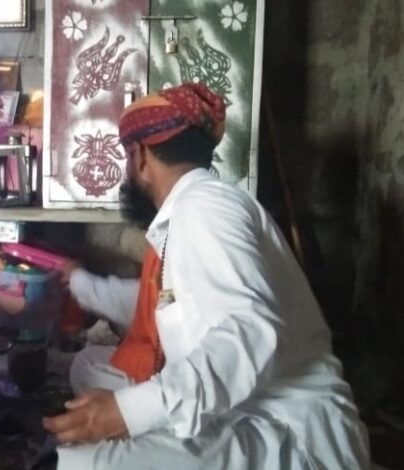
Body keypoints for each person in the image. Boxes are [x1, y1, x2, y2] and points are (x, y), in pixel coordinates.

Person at [43, 83, 370, 469]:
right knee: (89, 374)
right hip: (241, 415)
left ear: (140, 156)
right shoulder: (194, 210)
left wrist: (127, 412)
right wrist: (82, 284)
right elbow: (162, 306)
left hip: (287, 435)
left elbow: (249, 330)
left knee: (83, 463)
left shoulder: (204, 208)